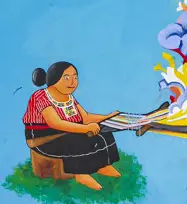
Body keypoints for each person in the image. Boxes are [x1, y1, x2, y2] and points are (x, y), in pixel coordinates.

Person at [23, 62, 120, 191]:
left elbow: (85, 117)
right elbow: (55, 123)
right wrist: (86, 128)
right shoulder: (41, 97)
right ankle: (80, 173)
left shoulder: (68, 97)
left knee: (104, 131)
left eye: (75, 77)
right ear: (54, 79)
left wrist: (107, 117)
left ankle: (103, 165)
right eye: (66, 78)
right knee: (76, 139)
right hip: (43, 138)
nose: (72, 82)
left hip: (63, 131)